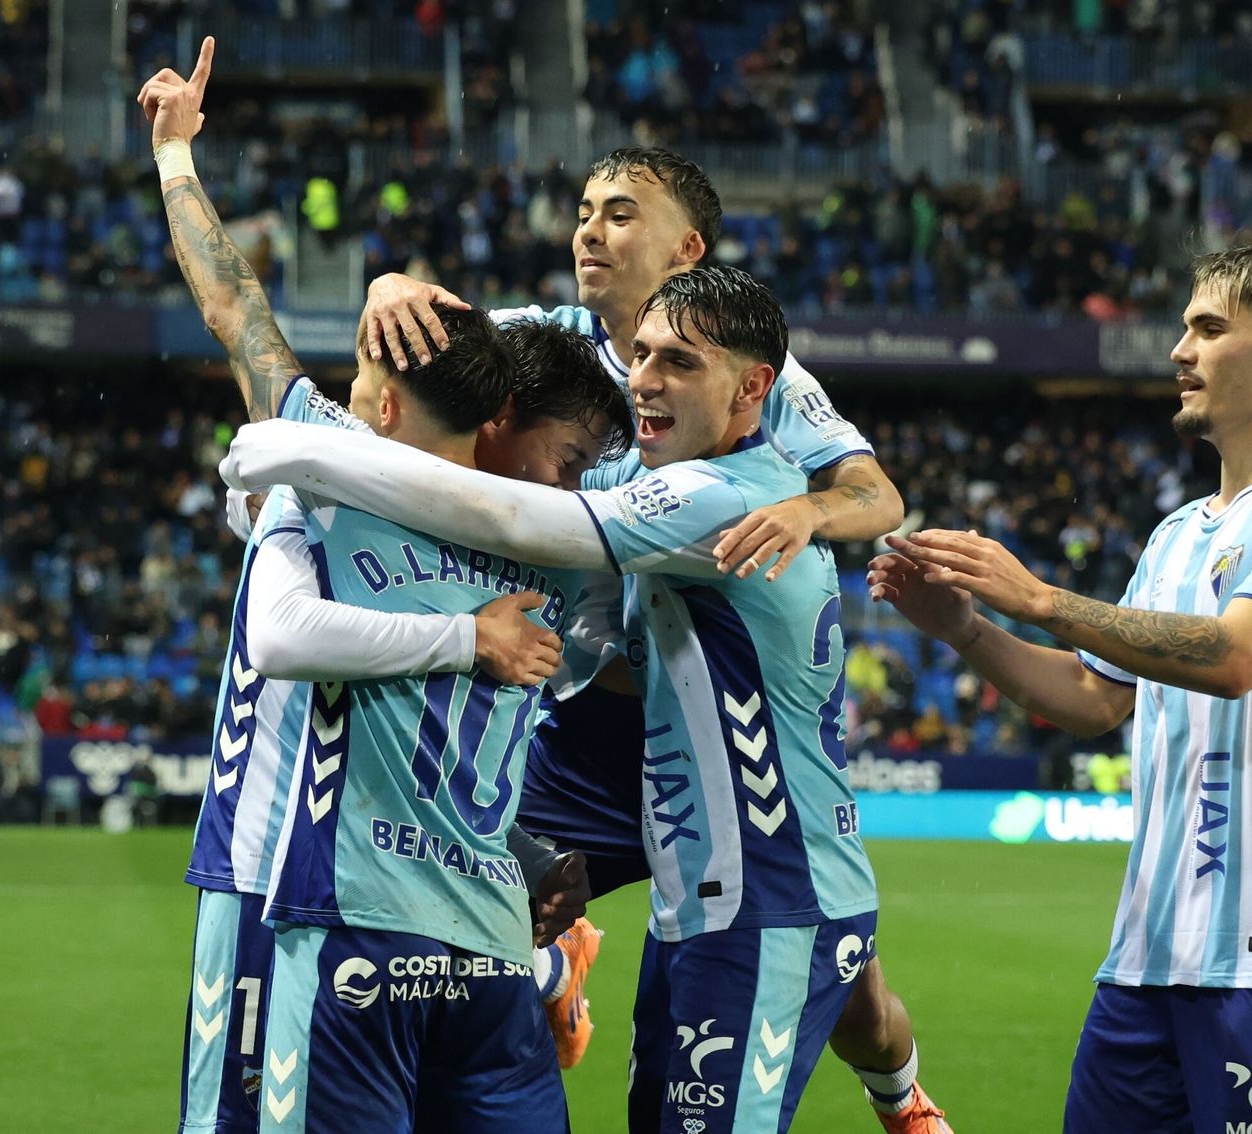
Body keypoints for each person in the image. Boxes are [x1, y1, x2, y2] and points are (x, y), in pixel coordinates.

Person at [362, 146, 947, 1132]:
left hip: (722, 716)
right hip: (597, 726)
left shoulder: (754, 375)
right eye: (584, 209)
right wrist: (387, 283)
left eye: (621, 212)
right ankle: (552, 965)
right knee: (459, 875)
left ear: (688, 246)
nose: (590, 229)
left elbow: (874, 494)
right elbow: (413, 345)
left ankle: (901, 1095)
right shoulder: (538, 341)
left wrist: (806, 512)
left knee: (841, 980)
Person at [223, 266, 878, 1134]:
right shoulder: (666, 493)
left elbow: (523, 520)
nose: (644, 378)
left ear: (755, 388)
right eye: (640, 355)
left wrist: (310, 455)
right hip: (699, 903)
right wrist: (384, 292)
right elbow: (446, 376)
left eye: (678, 363)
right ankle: (548, 972)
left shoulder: (718, 494)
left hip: (770, 901)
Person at [141, 40, 629, 1134]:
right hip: (377, 909)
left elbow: (239, 310)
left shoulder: (323, 457)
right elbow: (239, 314)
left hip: (390, 915)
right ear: (498, 420)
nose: (346, 397)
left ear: (389, 401)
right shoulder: (540, 535)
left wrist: (176, 159)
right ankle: (552, 974)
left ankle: (550, 971)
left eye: (365, 380)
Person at [868, 244, 1252, 1132]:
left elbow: (1236, 656)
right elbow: (1088, 696)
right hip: (1141, 965)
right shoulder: (1176, 533)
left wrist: (1039, 596)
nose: (1179, 351)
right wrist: (964, 628)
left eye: (1208, 328)